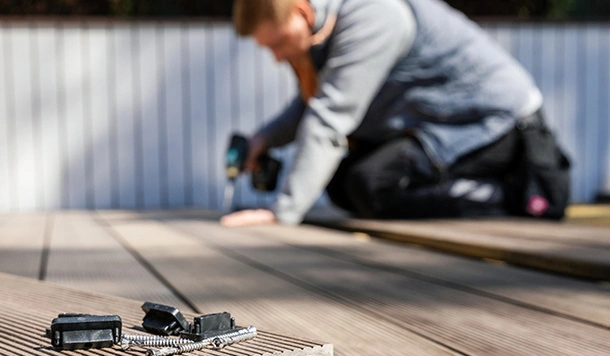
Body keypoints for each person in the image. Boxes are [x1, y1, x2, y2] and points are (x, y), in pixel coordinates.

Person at [220, 0, 571, 228]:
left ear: (301, 11)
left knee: (369, 184)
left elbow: (331, 115)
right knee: (342, 184)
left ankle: (511, 195)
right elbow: (312, 106)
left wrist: (283, 214)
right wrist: (262, 140)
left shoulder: (373, 16)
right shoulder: (327, 32)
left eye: (278, 43)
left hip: (492, 123)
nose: (278, 57)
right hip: (436, 126)